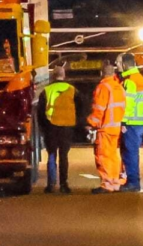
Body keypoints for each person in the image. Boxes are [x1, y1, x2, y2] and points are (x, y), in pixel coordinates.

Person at [38, 64, 81, 193]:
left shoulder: (46, 90)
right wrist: (77, 123)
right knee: (63, 156)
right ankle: (63, 184)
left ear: (53, 76)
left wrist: (43, 127)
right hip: (67, 127)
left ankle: (51, 184)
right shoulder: (72, 90)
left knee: (52, 155)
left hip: (51, 126)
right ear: (64, 75)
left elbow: (40, 111)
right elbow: (80, 107)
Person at [87, 61, 125, 193]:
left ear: (102, 73)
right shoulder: (118, 87)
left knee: (103, 156)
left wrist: (91, 123)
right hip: (116, 127)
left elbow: (99, 109)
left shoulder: (103, 87)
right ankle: (115, 182)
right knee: (113, 155)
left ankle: (107, 184)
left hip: (105, 128)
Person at [116, 52, 143, 192]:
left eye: (118, 63)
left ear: (125, 65)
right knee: (132, 151)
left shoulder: (130, 80)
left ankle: (133, 182)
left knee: (130, 152)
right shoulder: (139, 78)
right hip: (140, 121)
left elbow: (128, 104)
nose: (116, 65)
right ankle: (132, 181)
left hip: (131, 122)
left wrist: (123, 122)